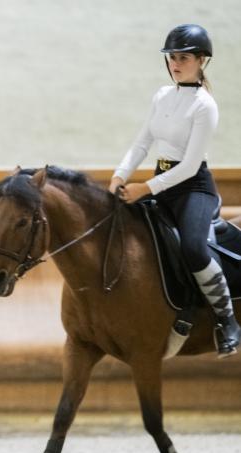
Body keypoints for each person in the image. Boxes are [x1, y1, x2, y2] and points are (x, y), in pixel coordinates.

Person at [109, 24, 240, 357]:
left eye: (182, 57)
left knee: (195, 249)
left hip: (193, 188)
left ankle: (227, 321)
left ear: (201, 61)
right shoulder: (162, 95)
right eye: (171, 57)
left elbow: (190, 165)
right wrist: (120, 174)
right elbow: (143, 141)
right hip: (160, 182)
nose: (175, 63)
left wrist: (145, 188)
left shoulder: (204, 105)